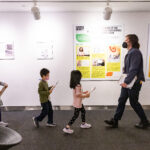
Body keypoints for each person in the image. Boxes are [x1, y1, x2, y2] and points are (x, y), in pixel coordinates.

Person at [104, 34, 150, 129]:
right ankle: (115, 121)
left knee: (133, 102)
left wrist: (127, 81)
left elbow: (134, 69)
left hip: (134, 83)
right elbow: (130, 69)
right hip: (128, 82)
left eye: (126, 40)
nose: (124, 42)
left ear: (131, 42)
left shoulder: (135, 52)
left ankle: (145, 121)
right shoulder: (130, 52)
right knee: (121, 100)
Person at [63, 70, 91, 134]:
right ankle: (67, 128)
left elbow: (78, 93)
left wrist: (84, 92)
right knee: (75, 116)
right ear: (77, 77)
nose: (81, 76)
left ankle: (83, 124)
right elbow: (77, 94)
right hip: (78, 103)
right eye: (80, 75)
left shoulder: (75, 85)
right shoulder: (78, 85)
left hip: (78, 102)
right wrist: (86, 95)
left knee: (83, 111)